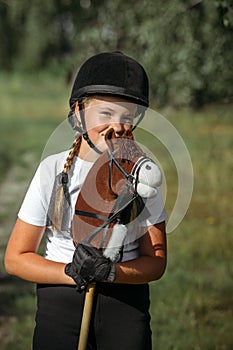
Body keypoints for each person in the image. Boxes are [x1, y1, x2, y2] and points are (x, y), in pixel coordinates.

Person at [4, 51, 167, 350]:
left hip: (125, 302)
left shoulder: (143, 174)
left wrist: (111, 271)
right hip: (60, 301)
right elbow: (16, 259)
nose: (117, 126)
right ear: (78, 113)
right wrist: (71, 271)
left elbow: (156, 263)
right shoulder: (52, 170)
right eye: (105, 114)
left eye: (127, 117)